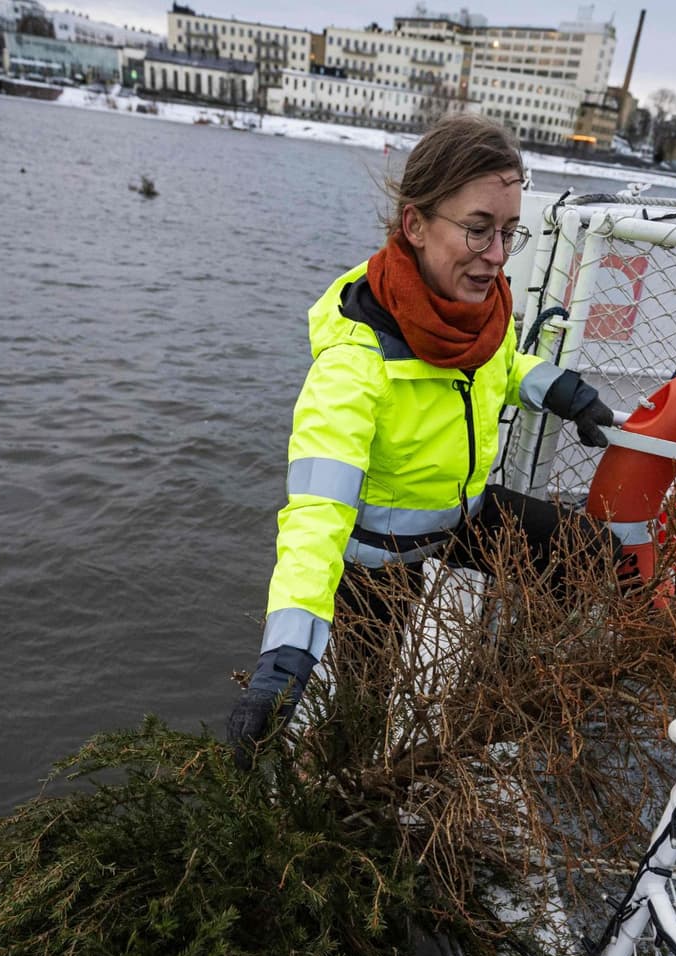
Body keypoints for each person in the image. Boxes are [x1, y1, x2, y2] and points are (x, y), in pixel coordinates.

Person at [226, 114, 619, 766]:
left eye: (509, 233)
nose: (497, 256)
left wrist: (556, 387)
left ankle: (503, 698)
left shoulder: (478, 312)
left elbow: (501, 364)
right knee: (363, 713)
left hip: (464, 514)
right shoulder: (354, 365)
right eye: (477, 229)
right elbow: (316, 516)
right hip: (379, 559)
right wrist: (285, 654)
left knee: (589, 554)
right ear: (415, 225)